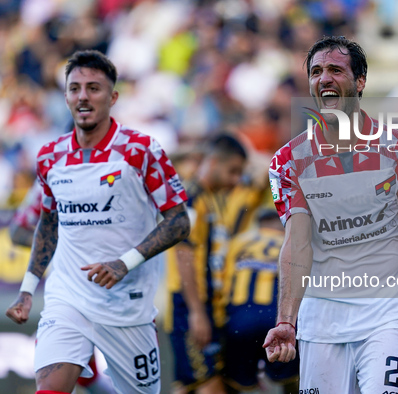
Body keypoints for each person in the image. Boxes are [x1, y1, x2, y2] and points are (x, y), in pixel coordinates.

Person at [263, 35, 398, 393]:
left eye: (336, 69)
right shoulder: (289, 161)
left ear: (360, 81)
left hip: (387, 315)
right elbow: (297, 244)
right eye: (316, 71)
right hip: (321, 320)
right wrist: (286, 320)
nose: (324, 79)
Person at [5, 49, 190, 394]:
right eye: (75, 88)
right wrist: (28, 291)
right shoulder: (50, 156)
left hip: (127, 306)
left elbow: (179, 222)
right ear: (65, 96)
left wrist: (124, 263)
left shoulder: (141, 150)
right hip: (68, 298)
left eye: (94, 88)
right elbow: (48, 224)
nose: (83, 96)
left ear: (113, 97)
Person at [166, 134, 266, 394]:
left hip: (209, 305)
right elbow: (183, 254)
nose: (236, 180)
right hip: (189, 306)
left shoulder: (211, 198)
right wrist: (196, 312)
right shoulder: (190, 198)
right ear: (213, 162)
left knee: (190, 384)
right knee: (208, 385)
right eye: (233, 171)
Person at [10, 182, 116, 394]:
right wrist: (66, 247)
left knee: (132, 384)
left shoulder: (126, 166)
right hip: (69, 291)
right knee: (55, 383)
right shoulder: (55, 172)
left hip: (123, 292)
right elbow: (17, 231)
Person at [221, 208, 299, 393]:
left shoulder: (237, 242)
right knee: (290, 379)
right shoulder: (291, 244)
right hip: (277, 320)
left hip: (239, 321)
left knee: (236, 383)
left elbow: (220, 283)